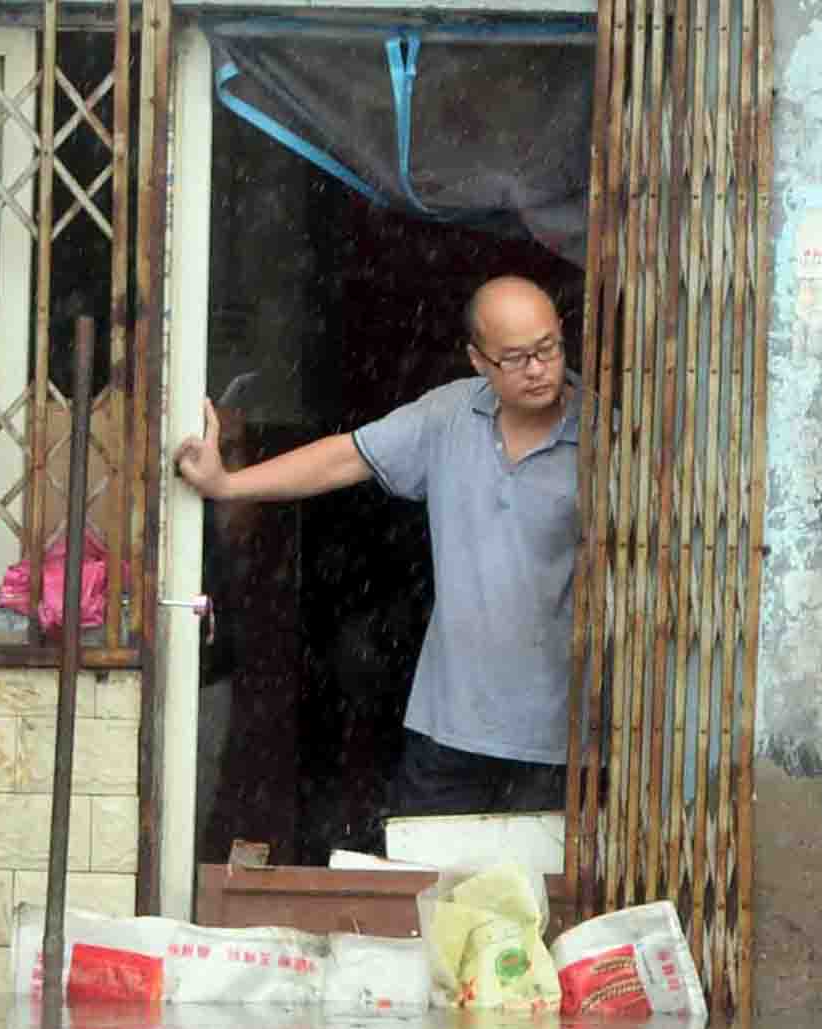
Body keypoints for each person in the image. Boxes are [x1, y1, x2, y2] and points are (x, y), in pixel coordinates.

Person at [172, 275, 581, 818]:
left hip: (558, 739)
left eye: (547, 348)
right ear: (478, 361)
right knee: (432, 893)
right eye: (515, 357)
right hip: (448, 729)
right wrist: (226, 485)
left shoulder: (607, 438)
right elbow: (345, 457)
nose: (537, 369)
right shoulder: (449, 416)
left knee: (541, 900)